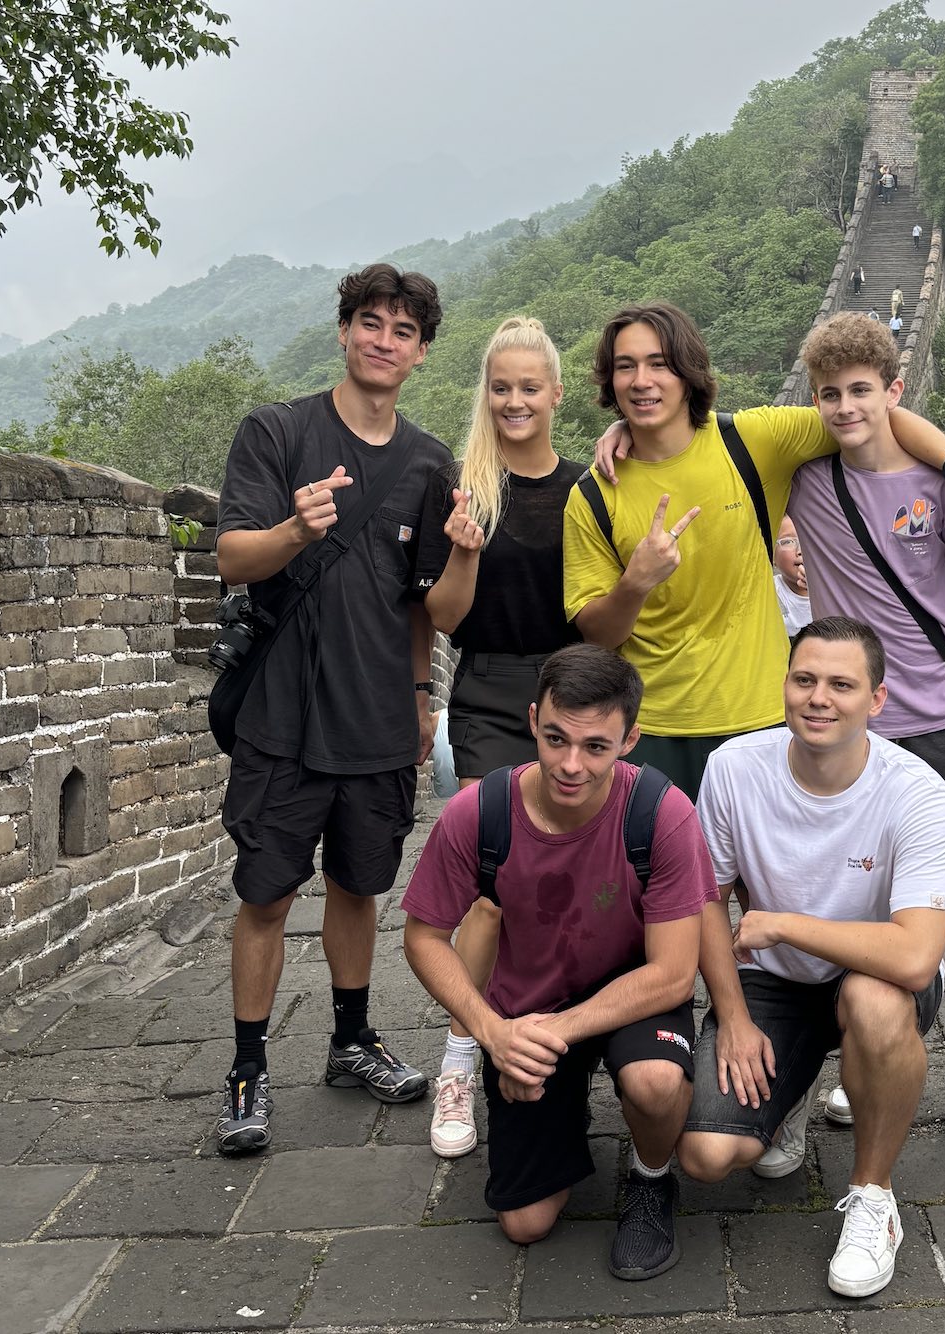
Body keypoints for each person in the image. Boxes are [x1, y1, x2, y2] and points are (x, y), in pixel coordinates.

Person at [566, 301, 945, 802]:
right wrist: (636, 582)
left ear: (687, 372)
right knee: (666, 880)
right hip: (654, 726)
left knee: (776, 879)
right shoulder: (592, 495)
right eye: (626, 367)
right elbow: (596, 633)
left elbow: (873, 417)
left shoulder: (757, 441)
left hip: (764, 720)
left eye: (659, 364)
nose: (642, 380)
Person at [213, 263, 448, 1155]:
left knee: (360, 885)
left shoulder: (428, 463)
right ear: (344, 331)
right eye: (370, 323)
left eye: (402, 330)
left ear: (421, 352)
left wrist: (424, 694)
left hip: (379, 712)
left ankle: (351, 1039)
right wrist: (296, 532)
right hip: (282, 713)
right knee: (267, 894)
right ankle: (246, 1068)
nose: (384, 341)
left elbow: (423, 601)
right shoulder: (277, 432)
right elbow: (234, 557)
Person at [786, 313, 945, 1164]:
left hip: (937, 730)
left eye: (863, 390)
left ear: (894, 390)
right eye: (831, 394)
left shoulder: (940, 483)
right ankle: (851, 1064)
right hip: (848, 735)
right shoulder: (807, 480)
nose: (847, 407)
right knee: (848, 905)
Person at [401, 645, 715, 1280]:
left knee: (653, 1084)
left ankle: (651, 1179)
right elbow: (424, 936)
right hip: (528, 1004)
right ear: (533, 719)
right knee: (526, 1225)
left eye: (596, 746)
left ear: (631, 739)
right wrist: (495, 1034)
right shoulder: (480, 812)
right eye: (555, 739)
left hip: (635, 993)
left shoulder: (662, 812)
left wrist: (555, 1034)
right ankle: (558, 1110)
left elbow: (676, 973)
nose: (571, 764)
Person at [677, 617, 945, 1298]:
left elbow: (917, 957)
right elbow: (707, 901)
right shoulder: (735, 769)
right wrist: (733, 1017)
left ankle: (872, 1197)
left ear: (877, 700)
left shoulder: (915, 789)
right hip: (772, 982)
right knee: (711, 1155)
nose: (819, 697)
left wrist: (786, 924)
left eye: (841, 684)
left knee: (873, 1000)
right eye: (804, 679)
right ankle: (792, 1088)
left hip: (875, 978)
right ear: (785, 686)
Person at [413, 316, 586, 1160]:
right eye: (500, 386)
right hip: (486, 698)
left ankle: (560, 1043)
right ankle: (459, 1057)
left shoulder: (591, 487)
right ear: (486, 394)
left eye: (529, 386)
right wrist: (464, 552)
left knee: (572, 878)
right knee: (491, 886)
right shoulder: (465, 487)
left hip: (571, 703)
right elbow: (443, 618)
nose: (514, 400)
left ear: (556, 393)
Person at [772, 515, 811, 636]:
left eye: (809, 538)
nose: (801, 549)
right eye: (788, 541)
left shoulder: (839, 588)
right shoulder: (767, 592)